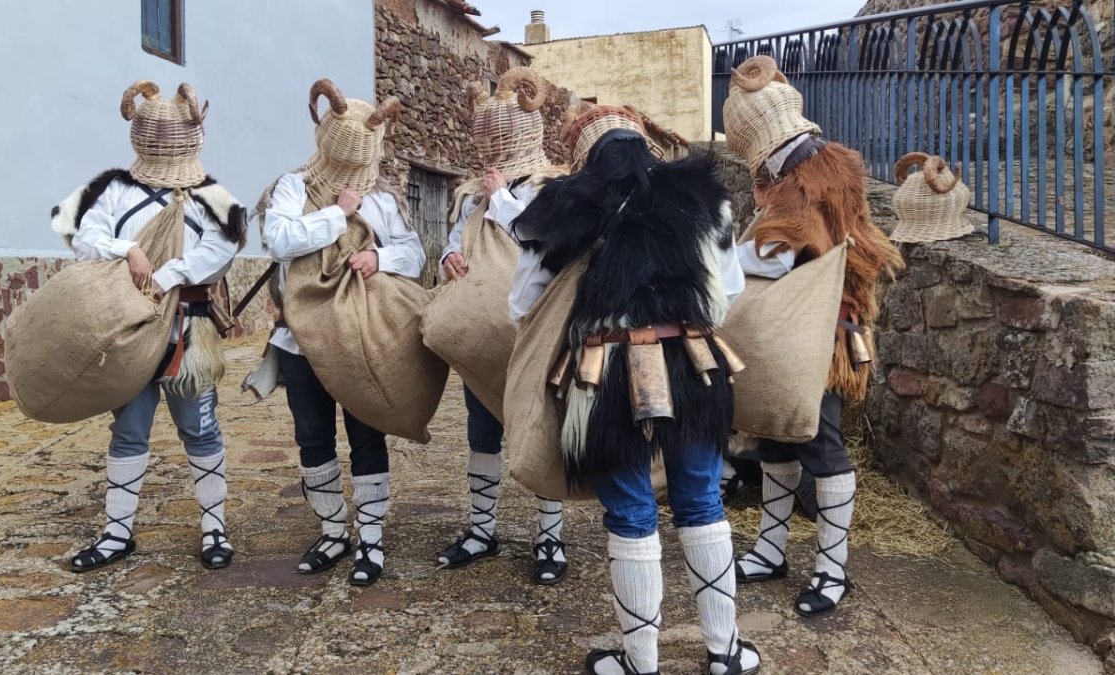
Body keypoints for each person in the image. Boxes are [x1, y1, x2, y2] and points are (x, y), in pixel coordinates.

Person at [511, 128, 759, 675]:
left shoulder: (562, 208)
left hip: (607, 373)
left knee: (629, 510)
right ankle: (726, 652)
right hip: (696, 366)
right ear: (650, 151)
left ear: (587, 160)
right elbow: (731, 288)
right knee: (701, 502)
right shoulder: (703, 197)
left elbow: (522, 302)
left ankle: (640, 661)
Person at [723, 55, 903, 617]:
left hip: (818, 337)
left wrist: (720, 258)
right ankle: (772, 549)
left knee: (821, 446)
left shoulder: (804, 184)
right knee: (777, 438)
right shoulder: (821, 165)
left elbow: (774, 257)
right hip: (804, 331)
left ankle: (833, 568)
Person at [54, 81, 248, 573]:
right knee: (129, 429)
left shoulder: (213, 195)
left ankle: (214, 529)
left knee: (200, 430)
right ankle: (117, 533)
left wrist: (167, 274)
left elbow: (224, 248)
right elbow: (76, 230)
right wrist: (128, 251)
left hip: (190, 329)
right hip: (129, 329)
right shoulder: (113, 188)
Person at [259, 79, 423, 587]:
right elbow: (280, 239)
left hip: (360, 337)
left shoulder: (384, 201)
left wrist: (380, 256)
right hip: (300, 340)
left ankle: (370, 538)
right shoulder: (293, 187)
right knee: (313, 437)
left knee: (366, 433)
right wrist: (339, 213)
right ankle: (334, 530)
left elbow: (414, 255)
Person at [435, 67, 569, 584]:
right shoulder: (470, 197)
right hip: (484, 330)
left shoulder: (551, 188)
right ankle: (482, 528)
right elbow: (455, 239)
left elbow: (550, 244)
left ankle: (550, 536)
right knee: (481, 428)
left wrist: (503, 199)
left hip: (537, 330)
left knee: (541, 426)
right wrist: (449, 257)